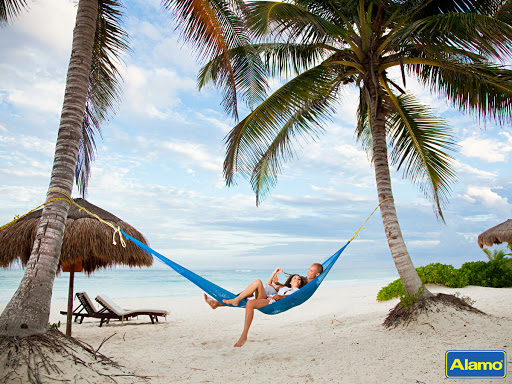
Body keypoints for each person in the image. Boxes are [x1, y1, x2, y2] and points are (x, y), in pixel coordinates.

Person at [203, 263, 324, 347]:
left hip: (271, 303)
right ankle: (218, 303)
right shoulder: (284, 287)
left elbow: (294, 298)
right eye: (294, 278)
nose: (297, 279)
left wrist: (281, 296)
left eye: (299, 279)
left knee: (250, 299)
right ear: (290, 280)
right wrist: (274, 275)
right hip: (267, 299)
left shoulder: (299, 290)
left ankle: (243, 335)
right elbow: (268, 285)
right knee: (249, 293)